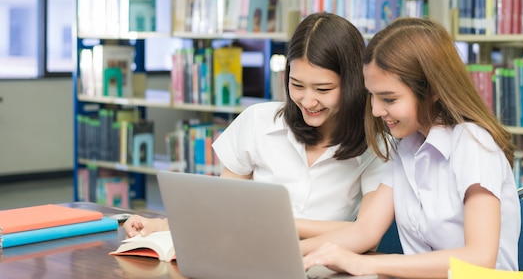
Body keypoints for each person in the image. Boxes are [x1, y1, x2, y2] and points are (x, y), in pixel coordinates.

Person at [124, 12, 386, 239]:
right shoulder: (259, 122)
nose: (308, 101)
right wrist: (161, 225)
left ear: (353, 82)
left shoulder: (377, 145)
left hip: (328, 266)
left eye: (323, 88)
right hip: (249, 252)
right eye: (296, 85)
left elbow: (366, 234)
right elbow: (221, 204)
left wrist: (275, 223)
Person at [301, 17, 521, 279]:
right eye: (372, 95)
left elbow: (480, 258)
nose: (376, 110)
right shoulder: (407, 146)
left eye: (389, 98)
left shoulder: (473, 143)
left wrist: (368, 265)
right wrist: (289, 254)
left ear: (433, 90)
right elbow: (365, 230)